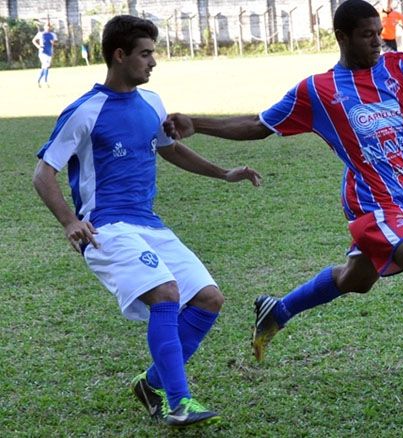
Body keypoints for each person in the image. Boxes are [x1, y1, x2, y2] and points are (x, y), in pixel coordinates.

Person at [164, 0, 403, 404]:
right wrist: (197, 124)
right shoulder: (318, 91)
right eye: (367, 34)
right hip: (369, 202)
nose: (378, 40)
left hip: (402, 198)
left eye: (379, 32)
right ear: (342, 38)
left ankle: (278, 310)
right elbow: (259, 125)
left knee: (356, 280)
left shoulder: (402, 67)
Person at [32, 15, 261, 427]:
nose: (153, 61)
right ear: (119, 55)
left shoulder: (152, 102)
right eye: (145, 53)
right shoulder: (85, 111)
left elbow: (169, 150)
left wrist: (224, 173)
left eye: (153, 53)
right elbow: (42, 173)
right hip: (105, 228)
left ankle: (151, 383)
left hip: (149, 224)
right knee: (167, 293)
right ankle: (179, 402)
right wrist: (69, 221)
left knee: (209, 298)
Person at [32, 22, 58, 87]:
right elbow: (34, 40)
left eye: (49, 26)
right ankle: (45, 81)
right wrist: (38, 46)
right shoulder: (41, 34)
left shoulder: (53, 34)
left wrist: (53, 43)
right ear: (44, 27)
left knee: (45, 67)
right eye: (47, 26)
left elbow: (55, 43)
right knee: (45, 66)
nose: (48, 28)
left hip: (49, 52)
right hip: (42, 52)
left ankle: (38, 81)